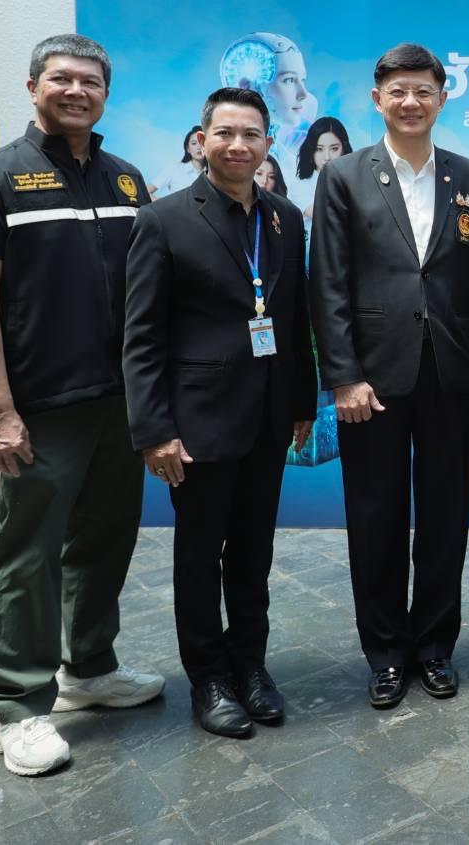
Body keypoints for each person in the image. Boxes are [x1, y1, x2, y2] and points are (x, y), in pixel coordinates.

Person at [0, 33, 163, 777]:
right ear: (34, 85)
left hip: (119, 400)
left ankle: (90, 669)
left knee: (105, 540)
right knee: (29, 554)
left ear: (105, 93)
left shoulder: (126, 180)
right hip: (40, 406)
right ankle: (16, 708)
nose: (77, 91)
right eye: (62, 79)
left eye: (90, 82)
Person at [123, 87, 318, 738]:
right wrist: (154, 428)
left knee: (254, 552)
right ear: (201, 140)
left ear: (268, 143)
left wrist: (302, 400)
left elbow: (293, 315)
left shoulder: (284, 217)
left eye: (251, 134)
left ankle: (251, 666)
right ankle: (208, 677)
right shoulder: (163, 219)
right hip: (197, 421)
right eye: (226, 133)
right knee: (200, 555)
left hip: (269, 417)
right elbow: (141, 334)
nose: (239, 145)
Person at [311, 43, 469, 709]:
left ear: (442, 97)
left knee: (445, 518)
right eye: (398, 91)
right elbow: (327, 282)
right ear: (377, 99)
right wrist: (343, 377)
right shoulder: (344, 177)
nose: (411, 102)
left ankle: (436, 646)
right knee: (375, 517)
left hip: (451, 375)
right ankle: (386, 653)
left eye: (423, 91)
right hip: (372, 382)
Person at [220, 32, 319, 172]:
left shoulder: (289, 164)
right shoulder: (227, 160)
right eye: (289, 80)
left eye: (302, 80)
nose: (303, 94)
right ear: (247, 87)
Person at [293, 116, 351, 219]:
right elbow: (326, 216)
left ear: (344, 148)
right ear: (311, 151)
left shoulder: (355, 181)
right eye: (319, 149)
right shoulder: (299, 186)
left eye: (334, 149)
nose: (327, 157)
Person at [149, 126, 204, 199]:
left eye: (202, 142)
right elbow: (147, 191)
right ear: (188, 149)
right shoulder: (174, 169)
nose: (199, 147)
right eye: (194, 143)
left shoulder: (214, 173)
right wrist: (162, 205)